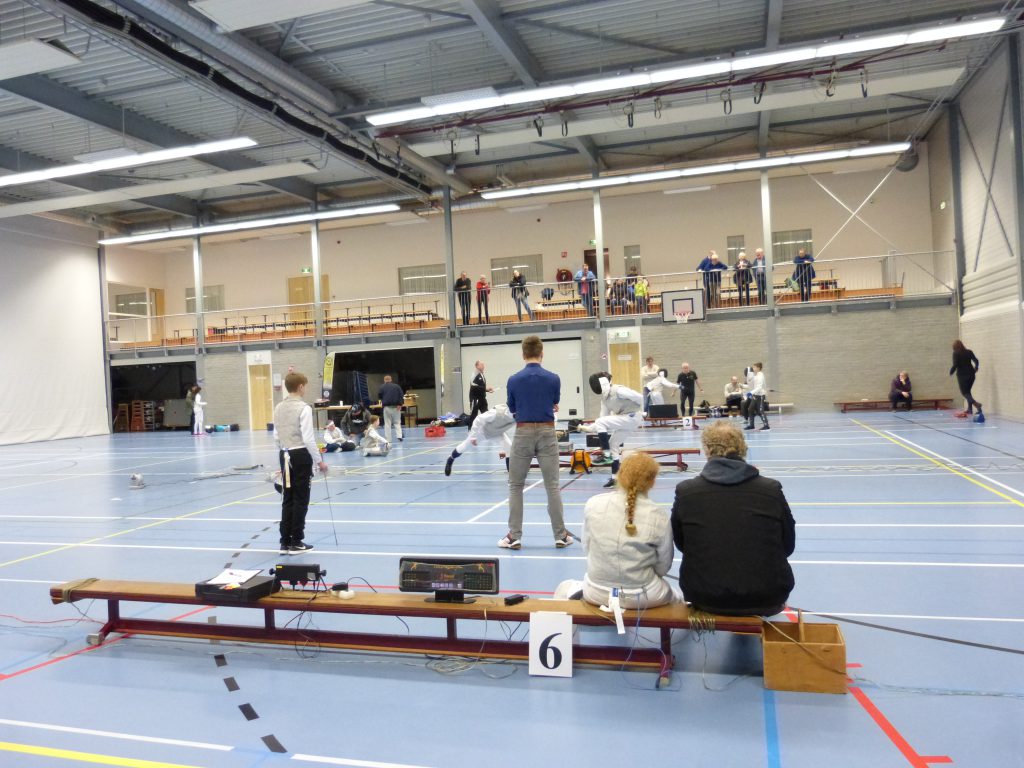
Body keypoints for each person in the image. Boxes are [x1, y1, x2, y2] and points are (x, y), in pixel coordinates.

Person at [671, 421, 795, 616]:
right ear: (742, 448)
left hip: (704, 595)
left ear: (707, 450)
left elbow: (682, 544)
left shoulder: (686, 491)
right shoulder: (770, 490)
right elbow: (787, 545)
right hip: (767, 595)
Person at [556, 452, 679, 609]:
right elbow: (663, 566)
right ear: (652, 482)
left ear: (620, 475)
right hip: (643, 596)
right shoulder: (658, 515)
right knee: (678, 598)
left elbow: (587, 547)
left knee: (565, 587)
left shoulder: (593, 503)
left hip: (595, 592)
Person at [501, 335, 572, 550]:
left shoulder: (513, 380)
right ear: (542, 354)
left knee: (516, 486)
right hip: (547, 432)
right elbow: (554, 401)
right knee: (552, 485)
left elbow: (512, 407)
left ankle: (514, 536)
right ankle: (560, 535)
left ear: (523, 354)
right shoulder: (554, 378)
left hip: (523, 432)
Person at [273, 371, 328, 554]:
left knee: (287, 498)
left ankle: (285, 542)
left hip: (284, 454)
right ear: (301, 386)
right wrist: (319, 461)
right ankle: (296, 541)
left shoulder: (278, 407)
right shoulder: (304, 408)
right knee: (300, 499)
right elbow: (308, 438)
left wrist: (283, 456)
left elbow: (276, 436)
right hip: (300, 456)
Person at [579, 372, 644, 488]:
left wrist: (638, 410)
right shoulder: (604, 400)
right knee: (613, 444)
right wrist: (587, 428)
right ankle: (615, 478)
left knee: (605, 432)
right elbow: (601, 420)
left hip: (632, 416)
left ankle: (606, 455)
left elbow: (639, 397)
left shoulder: (618, 390)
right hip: (625, 419)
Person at [444, 403, 516, 476]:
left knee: (509, 447)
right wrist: (473, 436)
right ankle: (450, 459)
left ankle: (511, 474)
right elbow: (478, 419)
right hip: (482, 431)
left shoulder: (517, 416)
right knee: (464, 446)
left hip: (497, 433)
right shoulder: (496, 413)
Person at [949, 340, 982, 420]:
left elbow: (955, 365)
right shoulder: (969, 352)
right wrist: (976, 368)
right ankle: (970, 409)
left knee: (964, 393)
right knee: (968, 392)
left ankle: (976, 404)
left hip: (962, 375)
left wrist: (951, 372)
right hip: (971, 374)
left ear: (955, 347)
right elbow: (976, 360)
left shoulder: (956, 353)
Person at [743, 362, 769, 431]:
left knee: (760, 411)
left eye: (754, 367)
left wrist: (751, 393)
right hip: (755, 395)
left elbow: (759, 387)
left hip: (760, 396)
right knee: (750, 409)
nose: (753, 368)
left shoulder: (760, 375)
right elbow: (754, 386)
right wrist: (743, 386)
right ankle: (751, 425)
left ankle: (766, 426)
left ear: (758, 368)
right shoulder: (756, 375)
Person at [467, 359, 494, 427]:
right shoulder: (474, 375)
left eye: (483, 365)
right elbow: (474, 387)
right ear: (477, 366)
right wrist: (485, 389)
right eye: (482, 365)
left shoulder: (481, 374)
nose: (483, 366)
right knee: (473, 415)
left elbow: (481, 387)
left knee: (486, 414)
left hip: (482, 398)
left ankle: (487, 429)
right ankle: (471, 429)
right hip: (475, 399)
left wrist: (487, 390)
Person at [378, 375, 404, 443]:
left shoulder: (382, 387)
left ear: (384, 380)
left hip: (387, 407)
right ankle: (399, 436)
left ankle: (388, 439)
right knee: (397, 422)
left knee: (387, 424)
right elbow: (401, 395)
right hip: (396, 407)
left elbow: (380, 396)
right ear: (391, 379)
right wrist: (400, 404)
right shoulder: (397, 386)